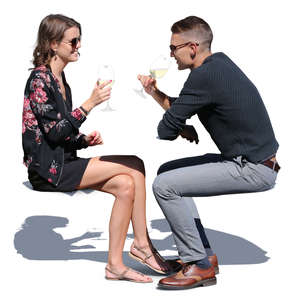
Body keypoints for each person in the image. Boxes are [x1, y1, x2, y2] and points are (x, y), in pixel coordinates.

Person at [22, 14, 173, 283]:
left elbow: (60, 133)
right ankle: (141, 245)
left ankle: (115, 265)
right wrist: (89, 105)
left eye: (79, 39)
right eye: (73, 40)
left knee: (126, 184)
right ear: (53, 44)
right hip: (48, 171)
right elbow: (54, 134)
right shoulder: (39, 80)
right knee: (135, 164)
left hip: (62, 162)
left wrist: (83, 141)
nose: (79, 45)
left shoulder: (59, 80)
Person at [138, 16, 280, 290]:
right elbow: (187, 106)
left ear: (192, 47)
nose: (170, 54)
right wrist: (156, 94)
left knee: (164, 186)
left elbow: (167, 129)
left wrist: (180, 126)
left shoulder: (203, 76)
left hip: (252, 168)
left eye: (173, 48)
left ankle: (198, 266)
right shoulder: (218, 64)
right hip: (253, 160)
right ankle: (206, 255)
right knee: (168, 172)